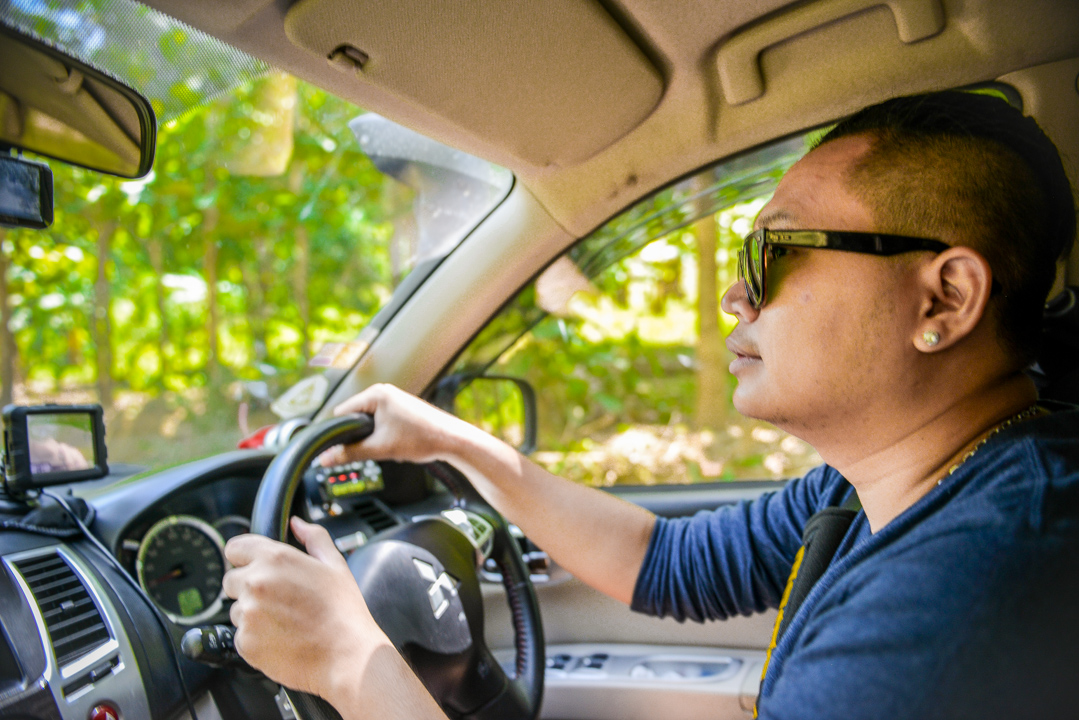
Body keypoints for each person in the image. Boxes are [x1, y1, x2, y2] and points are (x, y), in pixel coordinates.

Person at [221, 91, 1079, 719]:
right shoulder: (883, 484)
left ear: (944, 299)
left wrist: (348, 661)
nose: (735, 297)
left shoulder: (970, 593)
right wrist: (455, 444)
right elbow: (666, 562)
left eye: (773, 254)